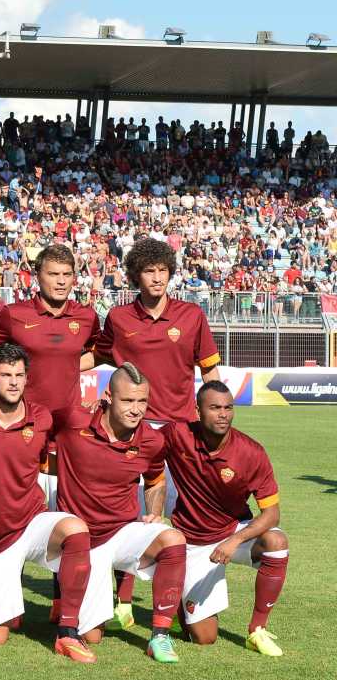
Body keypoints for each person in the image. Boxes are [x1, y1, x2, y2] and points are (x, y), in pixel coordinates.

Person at [93, 237, 221, 629]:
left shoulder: (191, 315)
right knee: (131, 515)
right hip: (134, 430)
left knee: (181, 514)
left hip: (181, 431)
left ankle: (180, 598)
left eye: (163, 270)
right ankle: (122, 599)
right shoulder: (118, 318)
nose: (157, 277)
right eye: (149, 270)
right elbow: (95, 356)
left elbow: (210, 371)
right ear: (136, 275)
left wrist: (215, 421)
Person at [0, 344, 95, 662]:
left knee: (75, 529)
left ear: (27, 378)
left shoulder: (41, 418)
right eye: (5, 375)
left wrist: (101, 407)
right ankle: (9, 604)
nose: (13, 382)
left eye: (19, 375)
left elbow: (73, 430)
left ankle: (68, 632)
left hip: (30, 524)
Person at [0, 244, 100, 621]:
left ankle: (59, 602)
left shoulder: (85, 316)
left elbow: (98, 351)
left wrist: (67, 365)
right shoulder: (13, 315)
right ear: (37, 276)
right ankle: (9, 600)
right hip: (21, 430)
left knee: (67, 515)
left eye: (67, 275)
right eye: (53, 274)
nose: (61, 281)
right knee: (16, 513)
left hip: (67, 434)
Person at [54, 363, 187, 663]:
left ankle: (160, 637)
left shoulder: (152, 440)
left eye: (142, 401)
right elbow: (32, 425)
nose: (136, 409)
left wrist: (155, 512)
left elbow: (155, 480)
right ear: (108, 396)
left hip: (122, 533)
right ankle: (68, 609)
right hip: (80, 543)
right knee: (92, 636)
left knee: (173, 539)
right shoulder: (73, 420)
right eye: (128, 400)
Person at [162, 381, 288, 656]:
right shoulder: (177, 434)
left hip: (233, 531)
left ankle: (257, 630)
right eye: (215, 407)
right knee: (205, 638)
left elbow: (272, 513)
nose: (223, 414)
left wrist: (235, 540)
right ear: (197, 411)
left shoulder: (251, 452)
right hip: (194, 542)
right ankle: (182, 604)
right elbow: (139, 441)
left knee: (276, 542)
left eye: (228, 408)